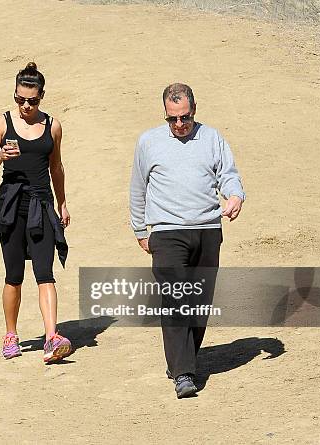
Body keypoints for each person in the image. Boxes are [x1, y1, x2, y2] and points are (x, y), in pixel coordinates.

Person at [129, 83, 245, 398]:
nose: (179, 125)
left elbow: (228, 174)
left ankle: (180, 359)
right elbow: (138, 188)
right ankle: (183, 373)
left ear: (194, 110)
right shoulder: (149, 142)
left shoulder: (212, 138)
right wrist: (140, 229)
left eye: (184, 117)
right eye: (172, 119)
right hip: (166, 232)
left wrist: (235, 195)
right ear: (165, 114)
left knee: (200, 301)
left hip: (208, 229)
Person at [0, 62, 73, 363]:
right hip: (11, 207)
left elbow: (56, 168)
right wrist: (0, 155)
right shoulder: (1, 123)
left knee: (45, 274)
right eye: (20, 99)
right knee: (14, 276)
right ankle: (11, 334)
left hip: (42, 205)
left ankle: (51, 337)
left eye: (32, 100)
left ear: (42, 96)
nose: (25, 105)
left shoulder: (53, 126)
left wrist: (62, 203)